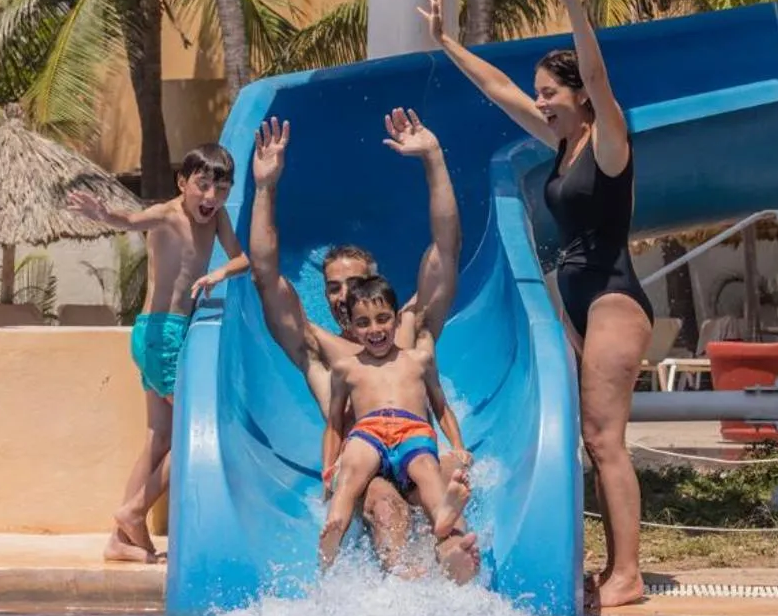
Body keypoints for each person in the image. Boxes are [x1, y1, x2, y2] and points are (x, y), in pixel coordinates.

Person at [419, 0, 652, 610]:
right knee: (585, 437)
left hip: (611, 297)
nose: (540, 103)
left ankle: (627, 574)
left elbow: (600, 80)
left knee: (606, 439)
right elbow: (496, 90)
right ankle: (605, 566)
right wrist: (445, 42)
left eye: (550, 94)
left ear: (577, 98)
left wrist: (574, 5)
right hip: (576, 300)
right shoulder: (560, 142)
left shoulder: (607, 142)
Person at [199, 109, 479, 583]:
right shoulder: (320, 351)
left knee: (444, 480)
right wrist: (266, 188)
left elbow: (445, 250)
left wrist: (433, 158)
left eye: (355, 283)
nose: (345, 295)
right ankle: (405, 589)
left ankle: (457, 562)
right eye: (333, 287)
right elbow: (265, 278)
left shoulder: (409, 330)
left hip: (418, 452)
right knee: (385, 505)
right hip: (366, 469)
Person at [69, 144, 247, 564]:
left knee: (158, 438)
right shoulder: (168, 215)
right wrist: (102, 214)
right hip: (160, 336)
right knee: (190, 431)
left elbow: (242, 258)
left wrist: (220, 271)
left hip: (163, 335)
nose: (210, 198)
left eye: (220, 189)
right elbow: (130, 220)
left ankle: (124, 539)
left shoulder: (217, 218)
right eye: (202, 186)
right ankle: (134, 510)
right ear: (182, 183)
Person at [319, 275, 472, 570]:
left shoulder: (418, 360)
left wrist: (458, 447)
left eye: (382, 319)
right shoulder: (345, 368)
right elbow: (336, 423)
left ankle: (444, 518)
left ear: (397, 318)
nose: (374, 329)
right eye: (362, 322)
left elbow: (441, 407)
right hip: (369, 431)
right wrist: (328, 467)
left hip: (411, 430)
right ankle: (335, 524)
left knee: (427, 469)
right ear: (350, 326)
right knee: (352, 469)